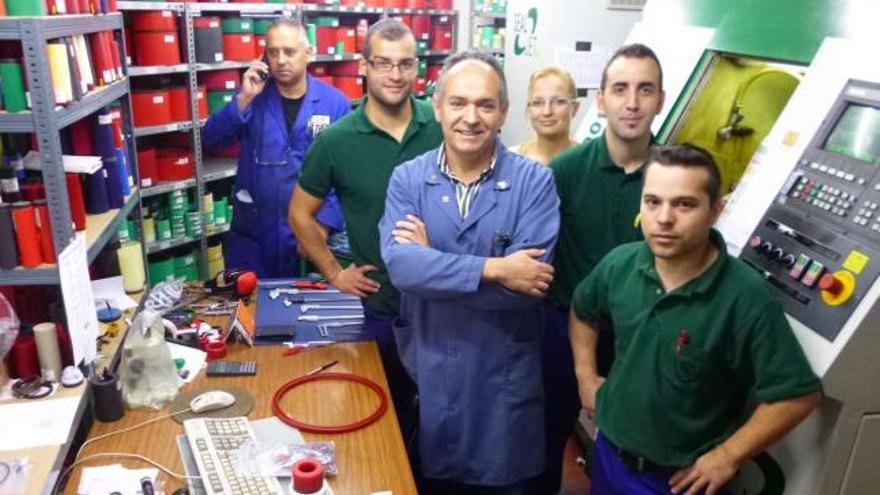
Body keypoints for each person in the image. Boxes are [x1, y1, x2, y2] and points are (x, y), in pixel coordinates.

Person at [571, 143, 822, 495]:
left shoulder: (744, 297)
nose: (664, 218)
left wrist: (728, 455)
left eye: (684, 204)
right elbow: (583, 311)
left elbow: (797, 396)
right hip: (610, 457)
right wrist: (586, 377)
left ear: (715, 210)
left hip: (676, 481)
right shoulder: (620, 265)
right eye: (653, 202)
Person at [380, 50, 560, 495]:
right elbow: (403, 268)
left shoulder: (534, 182)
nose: (471, 117)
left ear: (503, 112)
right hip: (435, 371)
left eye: (485, 105)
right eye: (458, 103)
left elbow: (528, 286)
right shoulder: (408, 180)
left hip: (502, 385)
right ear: (437, 107)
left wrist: (433, 269)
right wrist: (497, 268)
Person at [289, 19, 443, 439]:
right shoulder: (337, 141)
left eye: (405, 64)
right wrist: (334, 273)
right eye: (383, 63)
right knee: (383, 418)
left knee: (447, 420)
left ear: (418, 68)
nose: (395, 75)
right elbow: (300, 214)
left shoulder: (443, 125)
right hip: (382, 306)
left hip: (449, 303)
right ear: (364, 66)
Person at [536, 43, 666, 494]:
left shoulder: (672, 175)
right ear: (601, 99)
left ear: (661, 100)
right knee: (547, 438)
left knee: (631, 454)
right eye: (621, 89)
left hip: (642, 340)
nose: (632, 103)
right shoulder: (566, 170)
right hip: (563, 331)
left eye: (645, 90)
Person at [203, 19, 350, 278]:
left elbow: (345, 175)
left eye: (289, 52)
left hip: (307, 239)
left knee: (305, 312)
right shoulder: (253, 98)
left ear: (308, 53)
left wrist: (323, 226)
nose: (281, 60)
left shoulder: (335, 103)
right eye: (273, 52)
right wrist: (243, 98)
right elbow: (211, 140)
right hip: (254, 236)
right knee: (249, 311)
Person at [511, 66, 580, 164]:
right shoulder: (512, 160)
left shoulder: (588, 162)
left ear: (575, 108)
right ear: (529, 109)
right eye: (537, 103)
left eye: (559, 102)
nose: (547, 112)